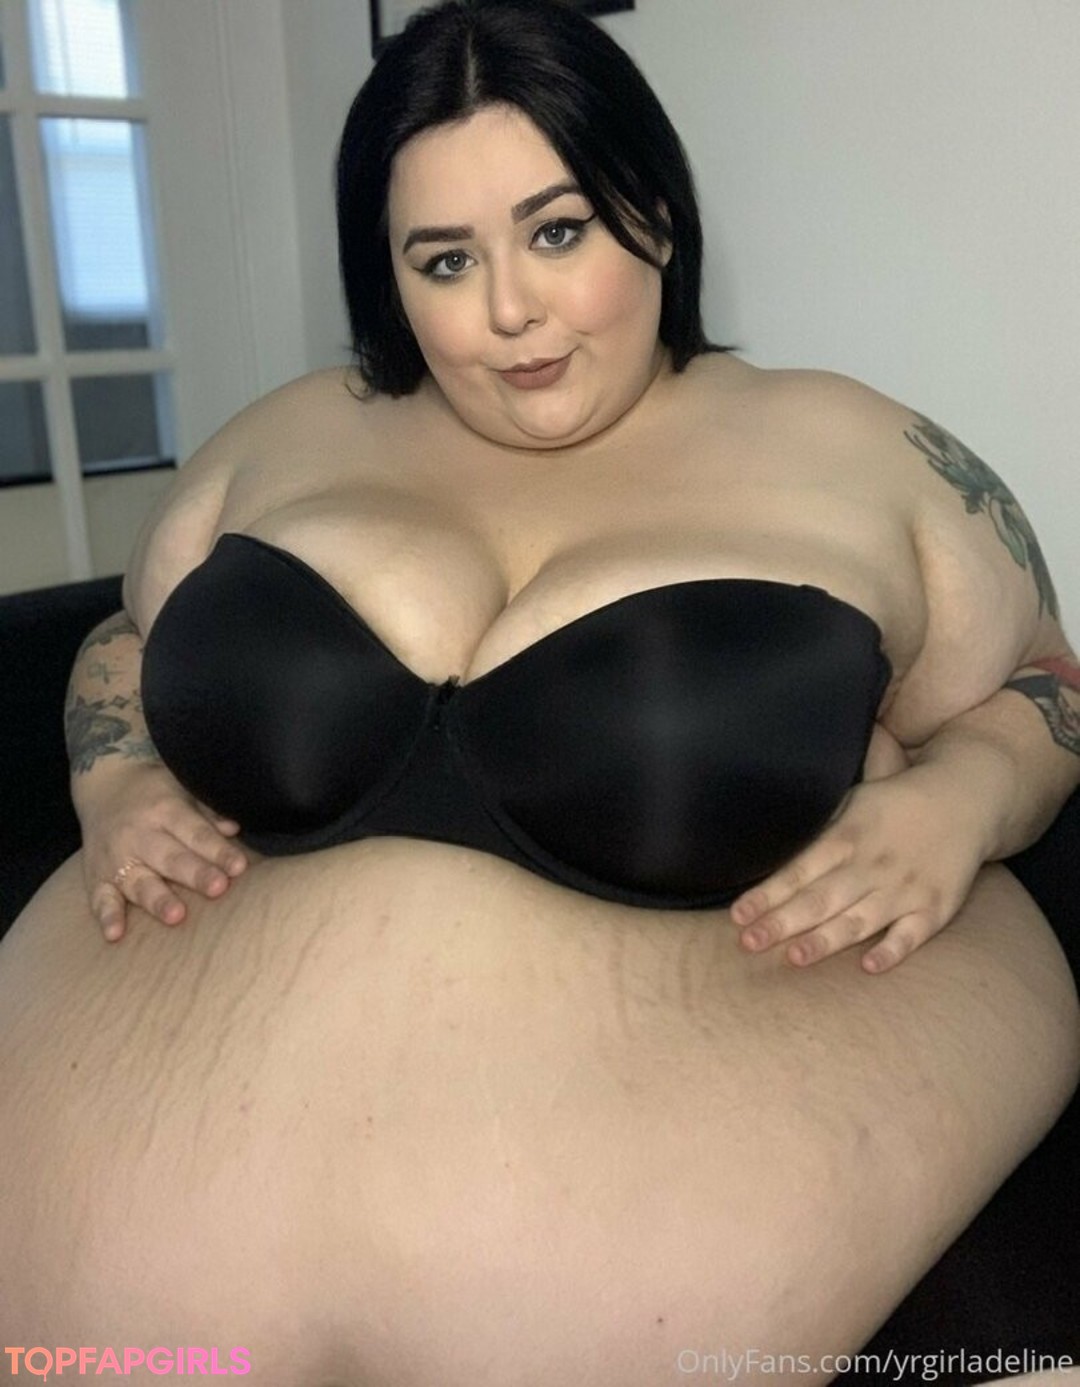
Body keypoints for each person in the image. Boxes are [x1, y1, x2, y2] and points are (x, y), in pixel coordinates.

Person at [0, 1, 1077, 1381]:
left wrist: (965, 798)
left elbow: (1047, 675)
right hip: (133, 1279)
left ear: (656, 216)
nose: (509, 310)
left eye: (557, 232)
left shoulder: (868, 452)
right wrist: (116, 775)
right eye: (446, 260)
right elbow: (125, 635)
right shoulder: (290, 431)